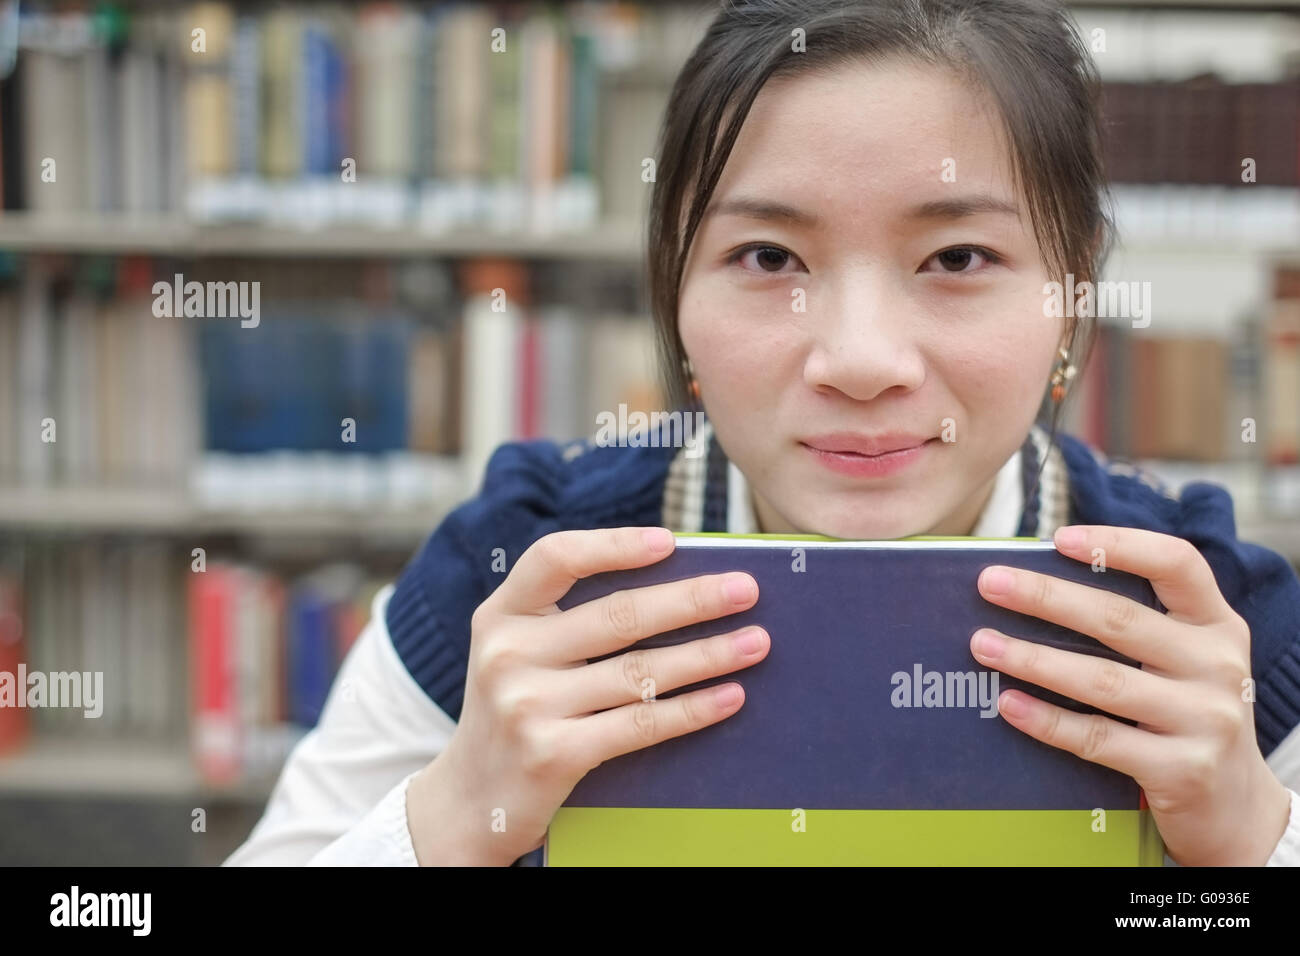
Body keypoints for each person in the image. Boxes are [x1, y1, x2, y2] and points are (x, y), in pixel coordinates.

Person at [225, 0, 1300, 866]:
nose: (860, 360)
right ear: (676, 293)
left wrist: (1253, 844)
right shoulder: (513, 575)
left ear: (1071, 294)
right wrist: (446, 824)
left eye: (958, 258)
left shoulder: (1214, 625)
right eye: (770, 260)